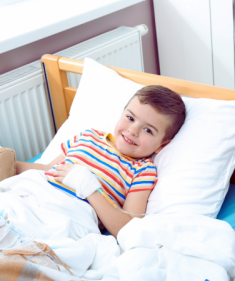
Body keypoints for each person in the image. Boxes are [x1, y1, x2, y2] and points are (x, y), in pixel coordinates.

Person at [15, 85, 186, 237]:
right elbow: (46, 169)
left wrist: (89, 188)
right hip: (32, 197)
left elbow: (127, 228)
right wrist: (10, 163)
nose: (133, 130)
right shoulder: (88, 136)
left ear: (162, 145)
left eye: (148, 130)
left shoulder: (142, 170)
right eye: (130, 118)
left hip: (68, 220)